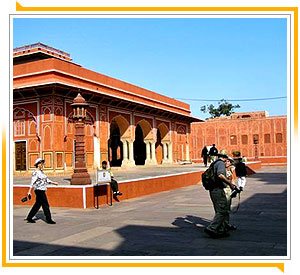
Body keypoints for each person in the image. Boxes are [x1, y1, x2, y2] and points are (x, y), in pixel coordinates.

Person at [204, 150, 237, 238]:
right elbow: (220, 175)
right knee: (222, 211)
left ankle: (221, 229)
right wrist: (230, 183)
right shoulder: (221, 164)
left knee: (221, 210)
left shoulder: (215, 163)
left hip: (214, 190)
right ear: (225, 157)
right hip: (218, 190)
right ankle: (212, 228)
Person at [25, 158, 58, 224]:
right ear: (38, 164)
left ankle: (29, 217)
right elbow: (32, 182)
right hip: (39, 190)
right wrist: (29, 191)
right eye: (41, 163)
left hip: (42, 190)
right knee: (45, 204)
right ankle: (49, 219)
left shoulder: (41, 172)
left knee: (37, 205)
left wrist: (53, 182)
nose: (42, 164)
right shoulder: (35, 173)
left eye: (42, 163)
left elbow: (45, 180)